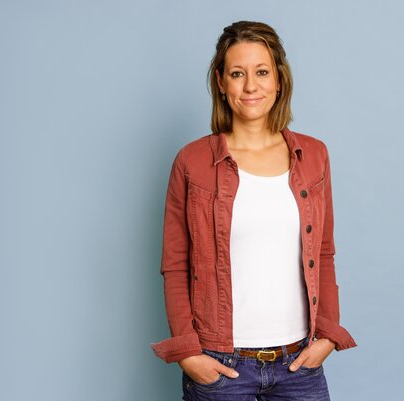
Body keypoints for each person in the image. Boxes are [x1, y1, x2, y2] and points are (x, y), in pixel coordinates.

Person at [151, 20, 357, 401]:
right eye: (237, 74)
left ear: (279, 80)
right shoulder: (192, 162)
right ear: (220, 82)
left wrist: (328, 335)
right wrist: (189, 354)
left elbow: (324, 252)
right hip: (220, 364)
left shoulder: (313, 156)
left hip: (299, 363)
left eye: (262, 72)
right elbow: (176, 264)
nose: (250, 86)